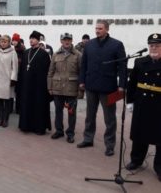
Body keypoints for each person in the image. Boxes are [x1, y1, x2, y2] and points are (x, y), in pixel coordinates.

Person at [77, 20, 126, 156]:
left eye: (100, 28)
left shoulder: (116, 45)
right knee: (89, 115)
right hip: (91, 86)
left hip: (108, 87)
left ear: (107, 29)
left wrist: (122, 85)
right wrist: (82, 81)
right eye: (96, 28)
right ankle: (88, 139)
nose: (97, 30)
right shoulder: (90, 44)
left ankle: (110, 145)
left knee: (109, 118)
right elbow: (84, 64)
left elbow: (122, 67)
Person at [125, 33, 161, 181]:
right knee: (140, 134)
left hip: (159, 106)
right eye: (151, 45)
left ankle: (159, 167)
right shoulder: (140, 62)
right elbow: (132, 83)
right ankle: (136, 160)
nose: (154, 48)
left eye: (157, 45)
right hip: (142, 104)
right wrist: (130, 101)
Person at [47, 33, 82, 143]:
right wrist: (50, 87)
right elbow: (50, 72)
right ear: (61, 41)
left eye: (69, 40)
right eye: (64, 40)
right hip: (57, 87)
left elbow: (81, 73)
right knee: (58, 111)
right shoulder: (56, 54)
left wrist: (81, 90)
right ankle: (59, 130)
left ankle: (70, 133)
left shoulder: (77, 55)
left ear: (72, 41)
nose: (67, 42)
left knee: (71, 112)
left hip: (72, 88)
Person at [18, 31, 52, 134]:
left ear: (38, 40)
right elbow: (23, 69)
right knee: (26, 104)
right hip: (26, 85)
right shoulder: (26, 52)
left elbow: (47, 71)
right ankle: (26, 126)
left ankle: (38, 127)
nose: (31, 40)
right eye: (30, 38)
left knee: (38, 106)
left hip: (38, 87)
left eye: (33, 38)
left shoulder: (44, 54)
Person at [0, 35, 18, 127]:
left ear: (9, 42)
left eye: (5, 41)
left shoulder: (13, 52)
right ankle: (0, 119)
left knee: (8, 101)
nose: (3, 43)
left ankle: (6, 120)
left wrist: (13, 79)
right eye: (2, 41)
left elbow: (15, 67)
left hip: (8, 80)